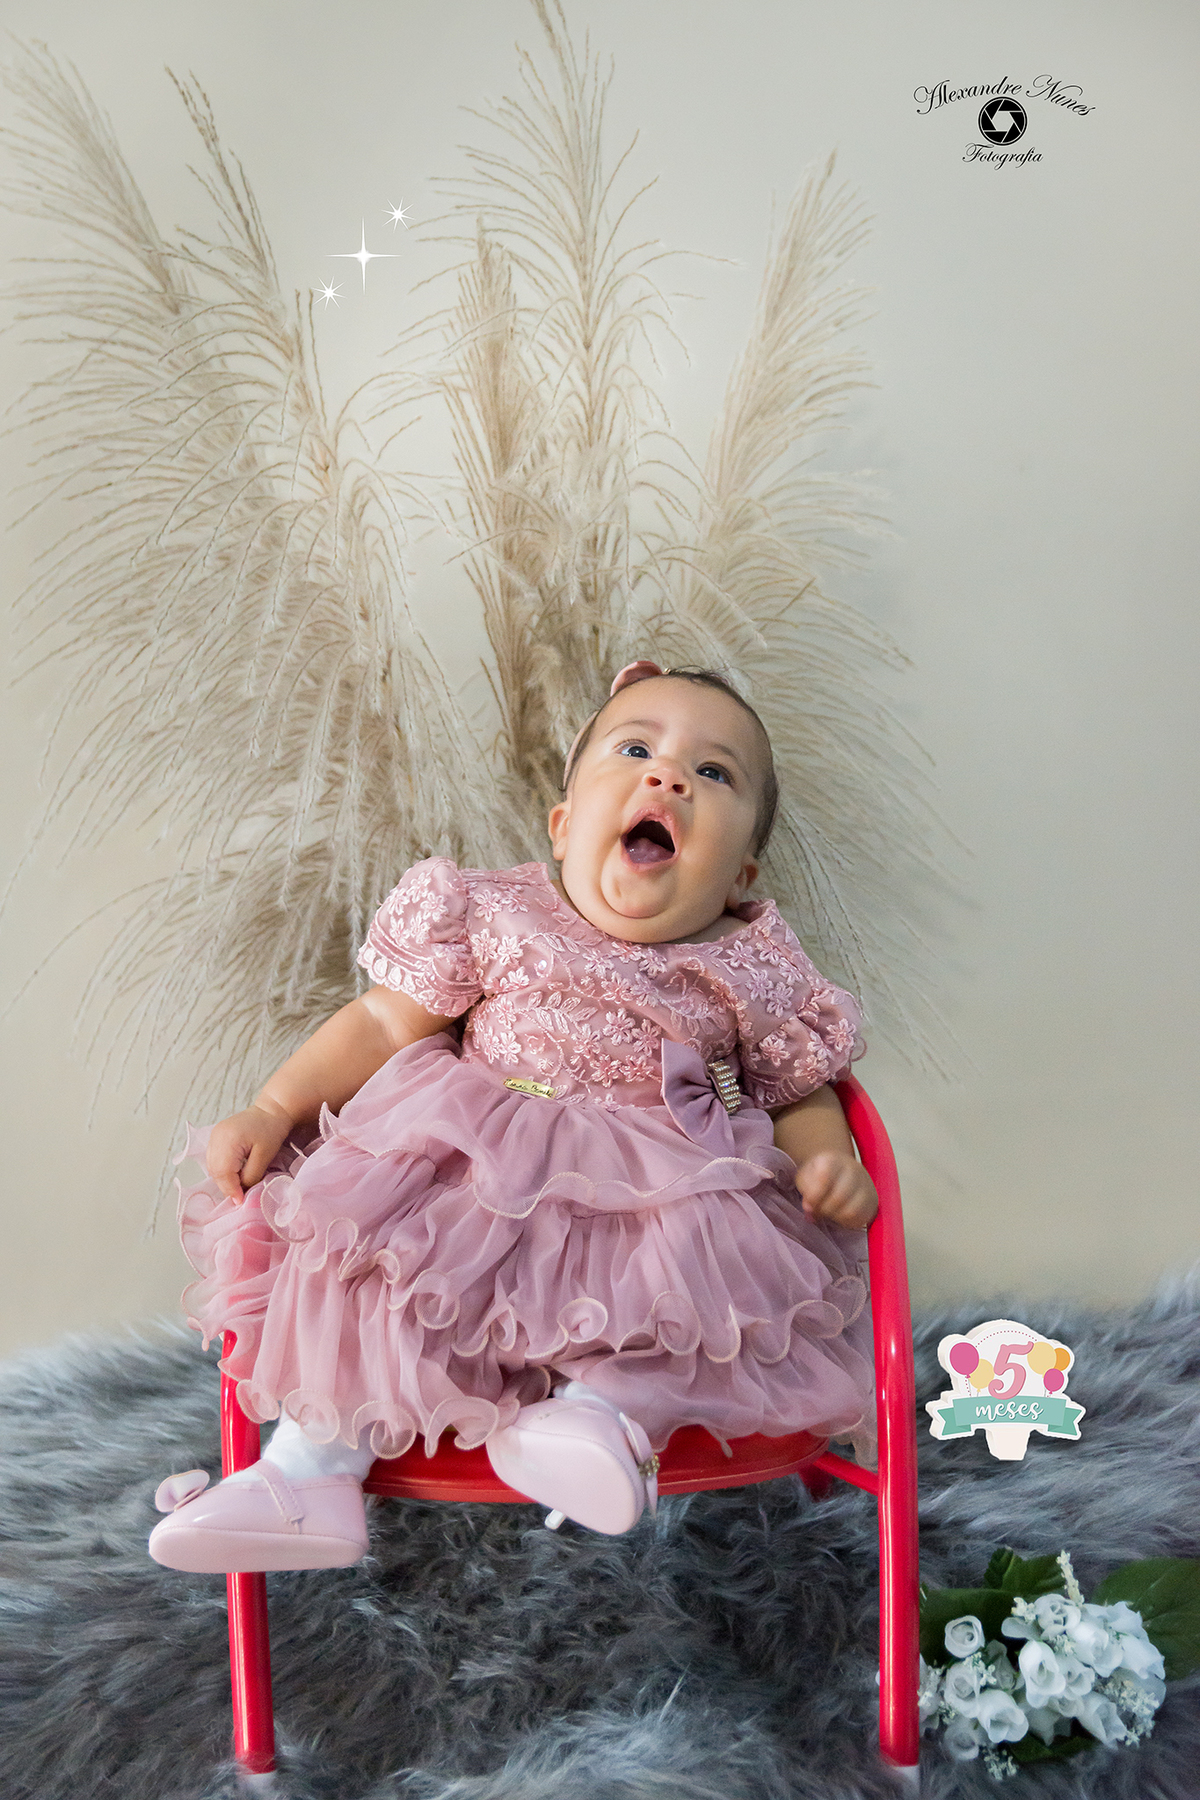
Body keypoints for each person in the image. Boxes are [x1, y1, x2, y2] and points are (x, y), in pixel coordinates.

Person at [149, 662, 878, 1573]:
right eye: (636, 750)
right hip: (471, 1168)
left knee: (701, 1290)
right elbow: (384, 1022)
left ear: (740, 874)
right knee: (369, 1265)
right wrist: (274, 1104)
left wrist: (827, 1157)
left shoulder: (749, 963)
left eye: (714, 772)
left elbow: (796, 1087)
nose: (669, 777)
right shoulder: (494, 910)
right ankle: (308, 1474)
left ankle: (598, 1422)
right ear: (565, 826)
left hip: (656, 1187)